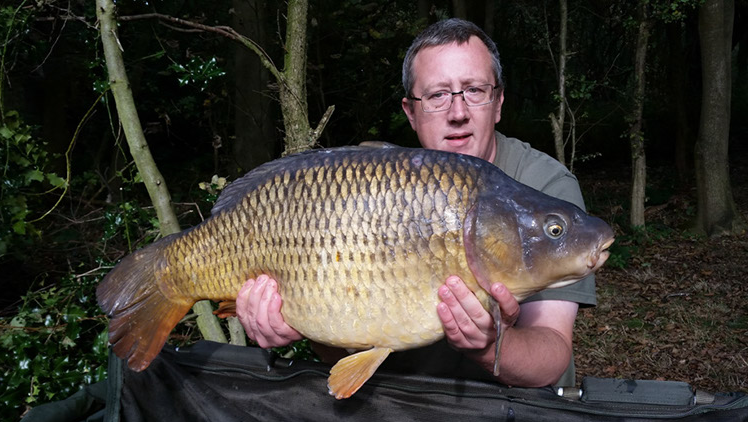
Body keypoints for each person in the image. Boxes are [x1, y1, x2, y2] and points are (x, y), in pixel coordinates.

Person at [235, 18, 596, 388]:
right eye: (438, 95)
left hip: (518, 419)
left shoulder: (543, 185)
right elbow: (339, 346)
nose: (458, 112)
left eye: (474, 89)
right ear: (410, 112)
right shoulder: (363, 189)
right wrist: (293, 323)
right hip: (399, 411)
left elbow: (551, 357)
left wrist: (489, 347)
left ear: (498, 102)